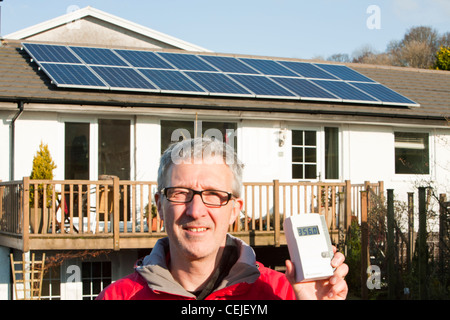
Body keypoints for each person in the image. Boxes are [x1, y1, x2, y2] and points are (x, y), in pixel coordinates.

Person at [96, 137, 348, 300]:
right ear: (160, 206)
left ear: (235, 210)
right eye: (180, 193)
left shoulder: (282, 293)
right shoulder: (118, 297)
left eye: (213, 195)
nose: (195, 210)